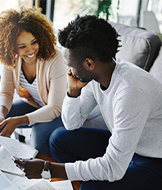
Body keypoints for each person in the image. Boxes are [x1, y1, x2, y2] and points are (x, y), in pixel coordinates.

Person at [14, 15, 162, 190]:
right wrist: (73, 92)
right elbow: (71, 124)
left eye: (70, 65)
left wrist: (48, 169)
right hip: (128, 148)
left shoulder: (130, 91)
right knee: (59, 139)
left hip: (154, 160)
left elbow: (114, 168)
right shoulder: (99, 75)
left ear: (89, 63)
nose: (68, 70)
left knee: (92, 187)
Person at [0, 6, 67, 157]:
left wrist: (17, 121)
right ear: (11, 48)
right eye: (22, 46)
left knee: (39, 132)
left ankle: (38, 175)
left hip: (61, 112)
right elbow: (6, 92)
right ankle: (1, 161)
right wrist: (0, 116)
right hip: (37, 105)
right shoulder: (11, 59)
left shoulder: (55, 58)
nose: (30, 50)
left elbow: (55, 108)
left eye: (34, 42)